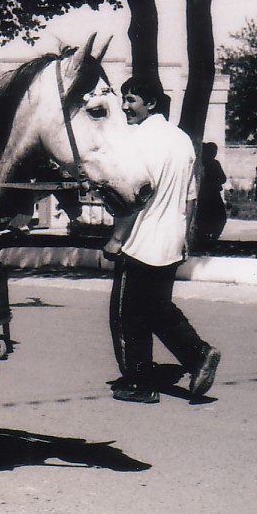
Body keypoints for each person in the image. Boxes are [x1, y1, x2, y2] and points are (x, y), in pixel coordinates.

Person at [102, 76, 220, 404]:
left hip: (139, 242)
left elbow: (132, 196)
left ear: (151, 103)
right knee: (157, 308)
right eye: (124, 99)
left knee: (127, 316)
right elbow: (190, 197)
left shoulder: (135, 140)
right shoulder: (181, 140)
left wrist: (116, 238)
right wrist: (185, 235)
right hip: (170, 242)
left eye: (131, 100)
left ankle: (139, 383)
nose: (125, 107)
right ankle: (198, 355)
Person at [195, 142, 227, 242]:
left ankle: (207, 236)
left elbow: (223, 178)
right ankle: (211, 236)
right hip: (212, 194)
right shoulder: (213, 164)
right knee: (219, 216)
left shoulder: (201, 164)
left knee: (206, 216)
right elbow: (223, 178)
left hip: (204, 194)